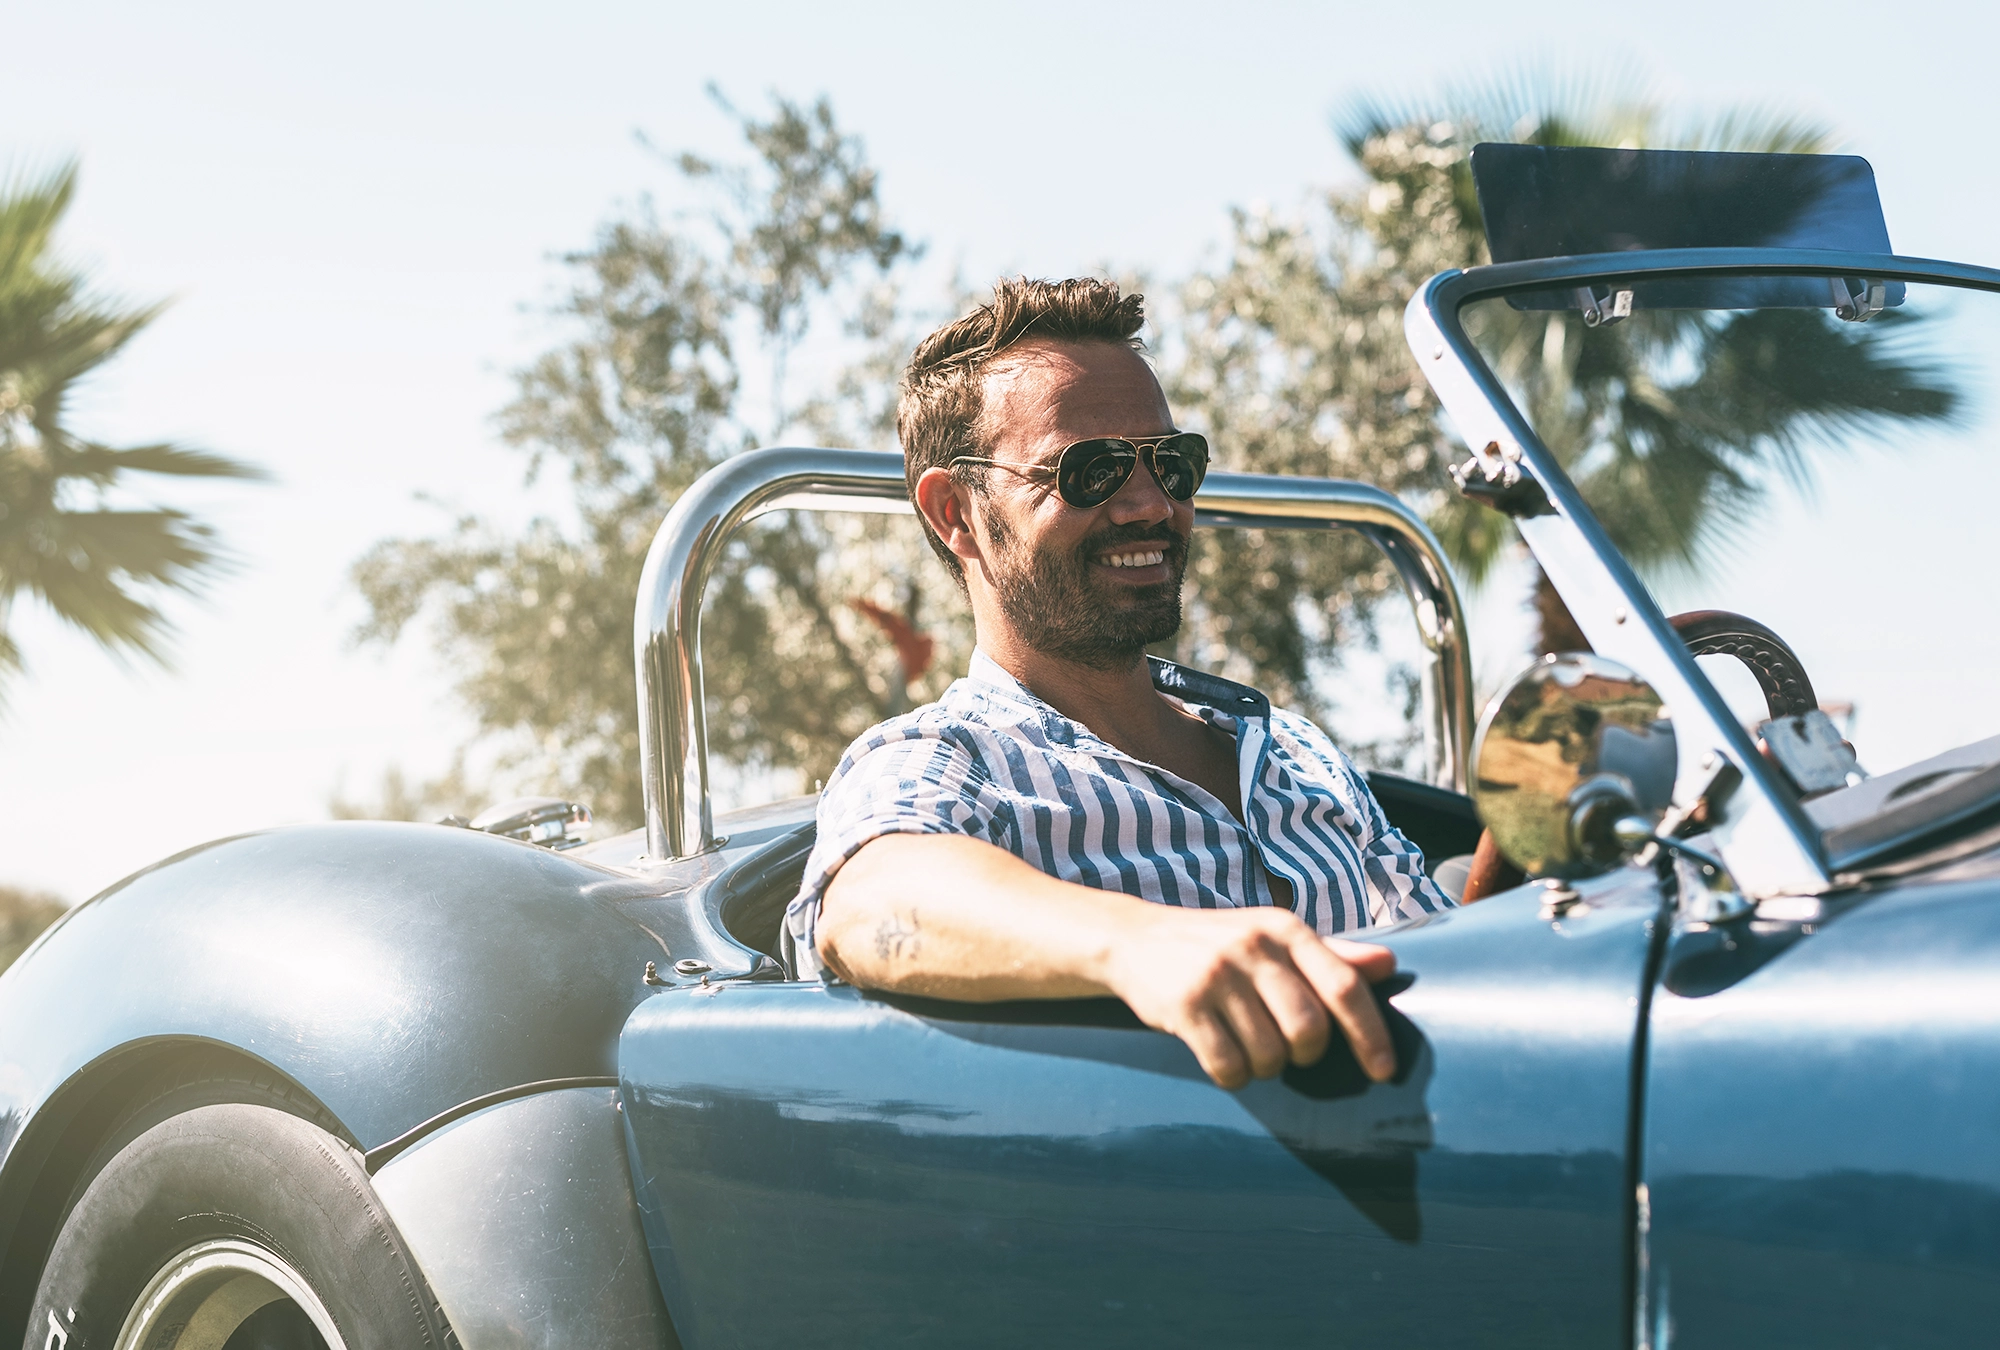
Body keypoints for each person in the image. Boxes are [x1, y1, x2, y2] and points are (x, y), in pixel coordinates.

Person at [783, 276, 1453, 1090]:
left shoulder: (1291, 748)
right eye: (1089, 471)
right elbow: (868, 903)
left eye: (1172, 463)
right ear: (956, 513)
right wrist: (1140, 944)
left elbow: (1439, 950)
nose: (1148, 504)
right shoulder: (947, 760)